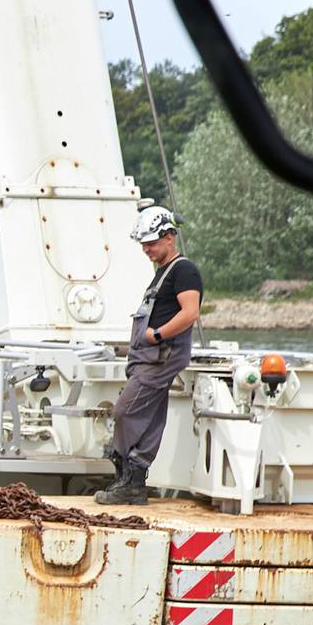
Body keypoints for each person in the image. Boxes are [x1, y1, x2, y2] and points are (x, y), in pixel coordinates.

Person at [98, 206, 203, 506]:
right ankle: (132, 486)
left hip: (161, 356)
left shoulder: (184, 270)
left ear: (169, 237)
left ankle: (127, 479)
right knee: (149, 417)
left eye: (151, 243)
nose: (146, 249)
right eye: (143, 244)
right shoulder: (163, 273)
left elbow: (190, 312)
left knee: (125, 411)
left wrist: (157, 335)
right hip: (151, 358)